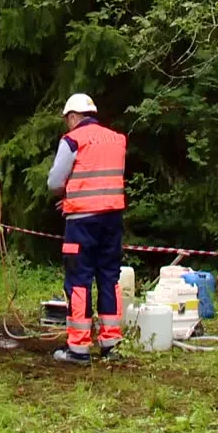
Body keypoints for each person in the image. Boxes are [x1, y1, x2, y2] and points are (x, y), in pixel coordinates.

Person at [47, 93, 127, 364]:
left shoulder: (72, 140)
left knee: (79, 279)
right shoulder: (117, 139)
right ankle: (111, 343)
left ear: (73, 117)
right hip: (112, 219)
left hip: (81, 221)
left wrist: (69, 193)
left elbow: (55, 181)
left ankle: (79, 348)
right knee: (109, 277)